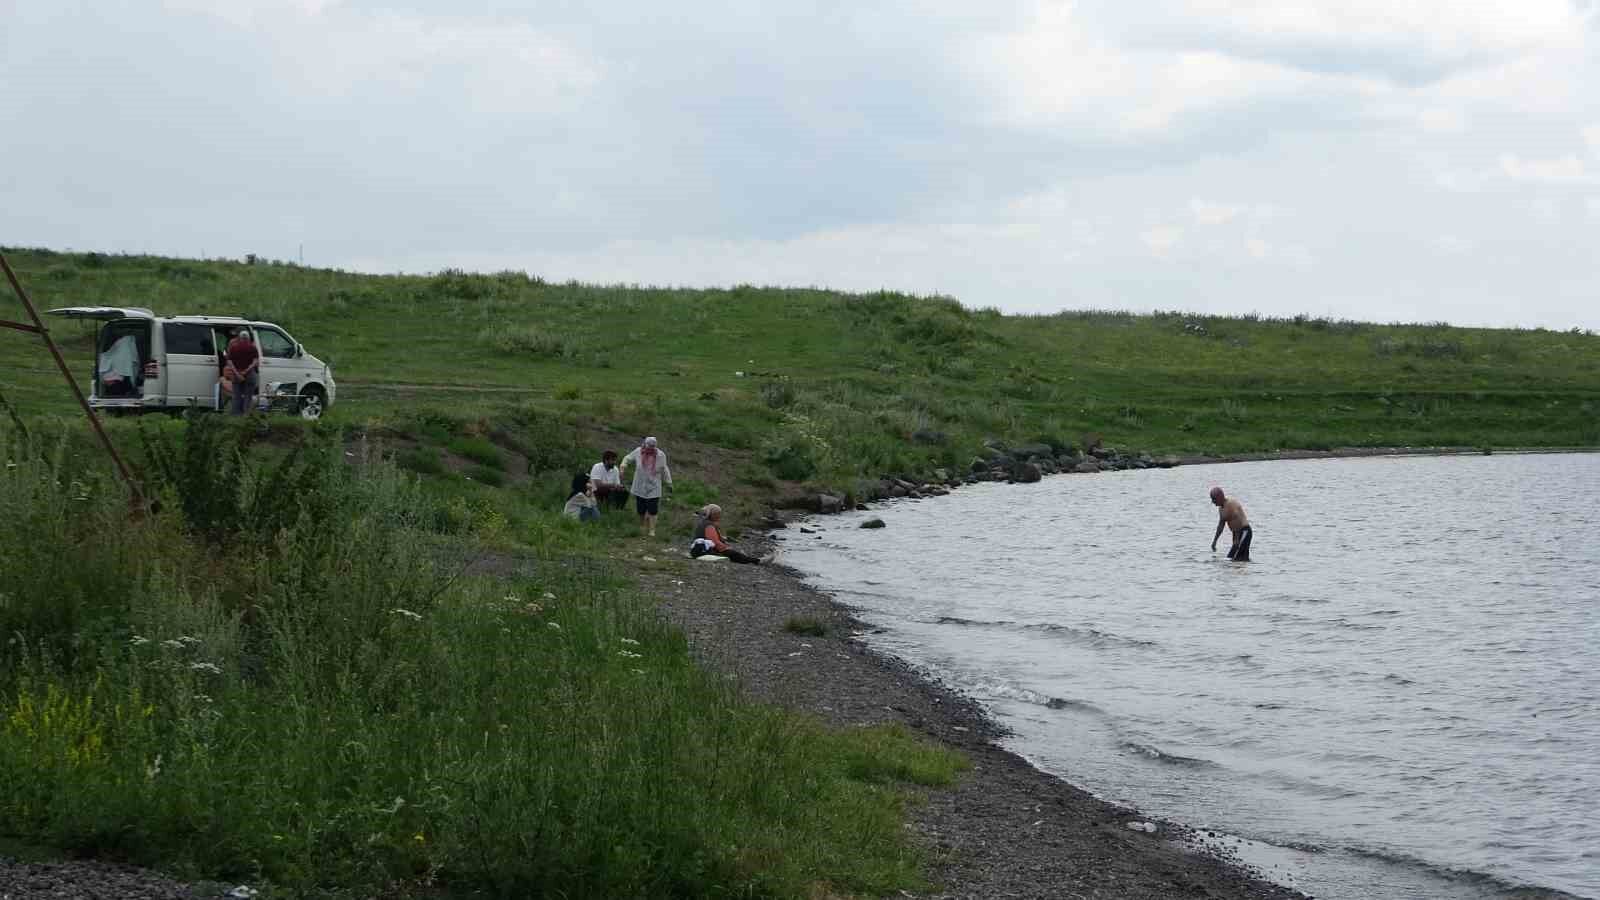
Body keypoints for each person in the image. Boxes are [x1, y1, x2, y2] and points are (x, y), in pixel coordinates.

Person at [621, 436, 672, 536]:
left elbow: (664, 469)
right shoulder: (638, 451)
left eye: (652, 447)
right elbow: (628, 458)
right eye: (648, 446)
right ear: (645, 444)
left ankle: (652, 530)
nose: (649, 449)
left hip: (654, 485)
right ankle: (642, 526)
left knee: (653, 509)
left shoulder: (660, 455)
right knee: (641, 508)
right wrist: (623, 466)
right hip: (640, 484)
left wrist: (669, 483)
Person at [689, 504, 763, 564]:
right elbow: (714, 541)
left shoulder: (703, 523)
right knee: (734, 554)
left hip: (700, 548)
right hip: (705, 550)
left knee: (733, 553)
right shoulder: (709, 525)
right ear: (712, 514)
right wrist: (726, 547)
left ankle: (754, 560)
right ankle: (757, 561)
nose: (719, 516)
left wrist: (724, 539)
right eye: (717, 514)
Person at [1210, 486, 1253, 561]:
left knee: (1235, 559)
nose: (1213, 502)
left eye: (1214, 500)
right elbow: (1220, 526)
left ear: (1220, 497)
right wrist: (1214, 541)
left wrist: (1236, 539)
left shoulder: (1231, 503)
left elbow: (1238, 521)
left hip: (1244, 532)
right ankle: (1243, 571)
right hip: (1236, 533)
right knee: (1234, 558)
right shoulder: (1221, 509)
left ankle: (1242, 571)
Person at [225, 328, 260, 416]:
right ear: (248, 338)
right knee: (248, 396)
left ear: (240, 338)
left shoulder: (233, 347)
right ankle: (245, 416)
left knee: (236, 396)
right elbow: (255, 362)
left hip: (237, 374)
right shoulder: (253, 347)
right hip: (249, 374)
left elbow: (229, 362)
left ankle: (236, 415)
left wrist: (237, 373)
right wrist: (246, 371)